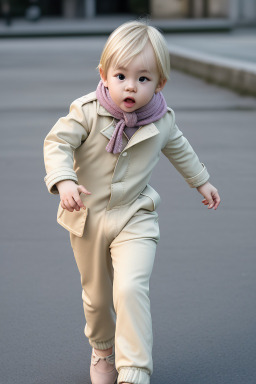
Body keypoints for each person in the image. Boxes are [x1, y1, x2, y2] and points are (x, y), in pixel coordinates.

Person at [43, 20, 220, 384]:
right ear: (104, 74)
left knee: (130, 286)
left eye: (143, 79)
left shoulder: (162, 119)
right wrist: (64, 181)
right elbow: (57, 143)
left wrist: (201, 181)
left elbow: (180, 148)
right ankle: (103, 349)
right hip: (87, 217)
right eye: (121, 75)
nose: (131, 86)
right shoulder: (87, 110)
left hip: (134, 215)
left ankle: (134, 370)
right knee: (96, 298)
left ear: (160, 84)